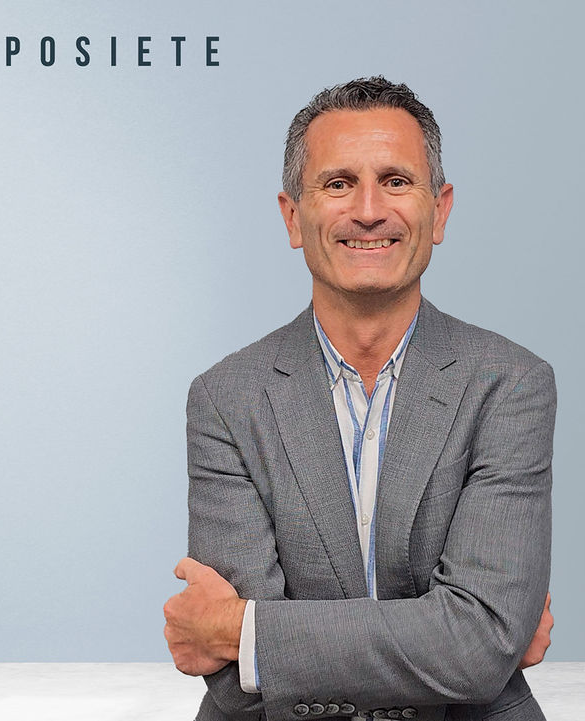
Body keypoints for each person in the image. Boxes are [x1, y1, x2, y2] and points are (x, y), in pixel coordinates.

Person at [163, 77, 557, 721]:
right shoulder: (225, 399)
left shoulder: (511, 384)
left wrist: (249, 632)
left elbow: (482, 644)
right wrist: (455, 643)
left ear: (440, 210)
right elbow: (234, 684)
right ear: (293, 216)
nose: (369, 210)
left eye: (396, 181)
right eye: (339, 183)